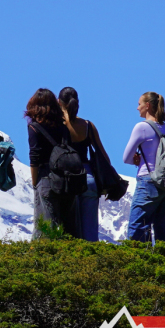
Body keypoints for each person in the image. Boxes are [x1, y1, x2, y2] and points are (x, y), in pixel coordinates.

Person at [57, 87, 119, 242]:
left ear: (59, 102)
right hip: (89, 178)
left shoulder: (59, 126)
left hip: (68, 179)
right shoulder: (88, 126)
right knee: (90, 231)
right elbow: (104, 156)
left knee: (70, 230)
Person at [123, 91, 165, 244]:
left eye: (139, 104)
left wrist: (136, 160)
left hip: (148, 180)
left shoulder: (142, 127)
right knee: (164, 228)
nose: (137, 108)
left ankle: (140, 262)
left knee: (138, 226)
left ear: (147, 106)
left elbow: (126, 157)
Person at [27, 87, 82, 238]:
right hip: (67, 181)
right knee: (69, 229)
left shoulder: (34, 128)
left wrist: (34, 182)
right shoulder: (63, 128)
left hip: (46, 179)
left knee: (45, 229)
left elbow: (35, 157)